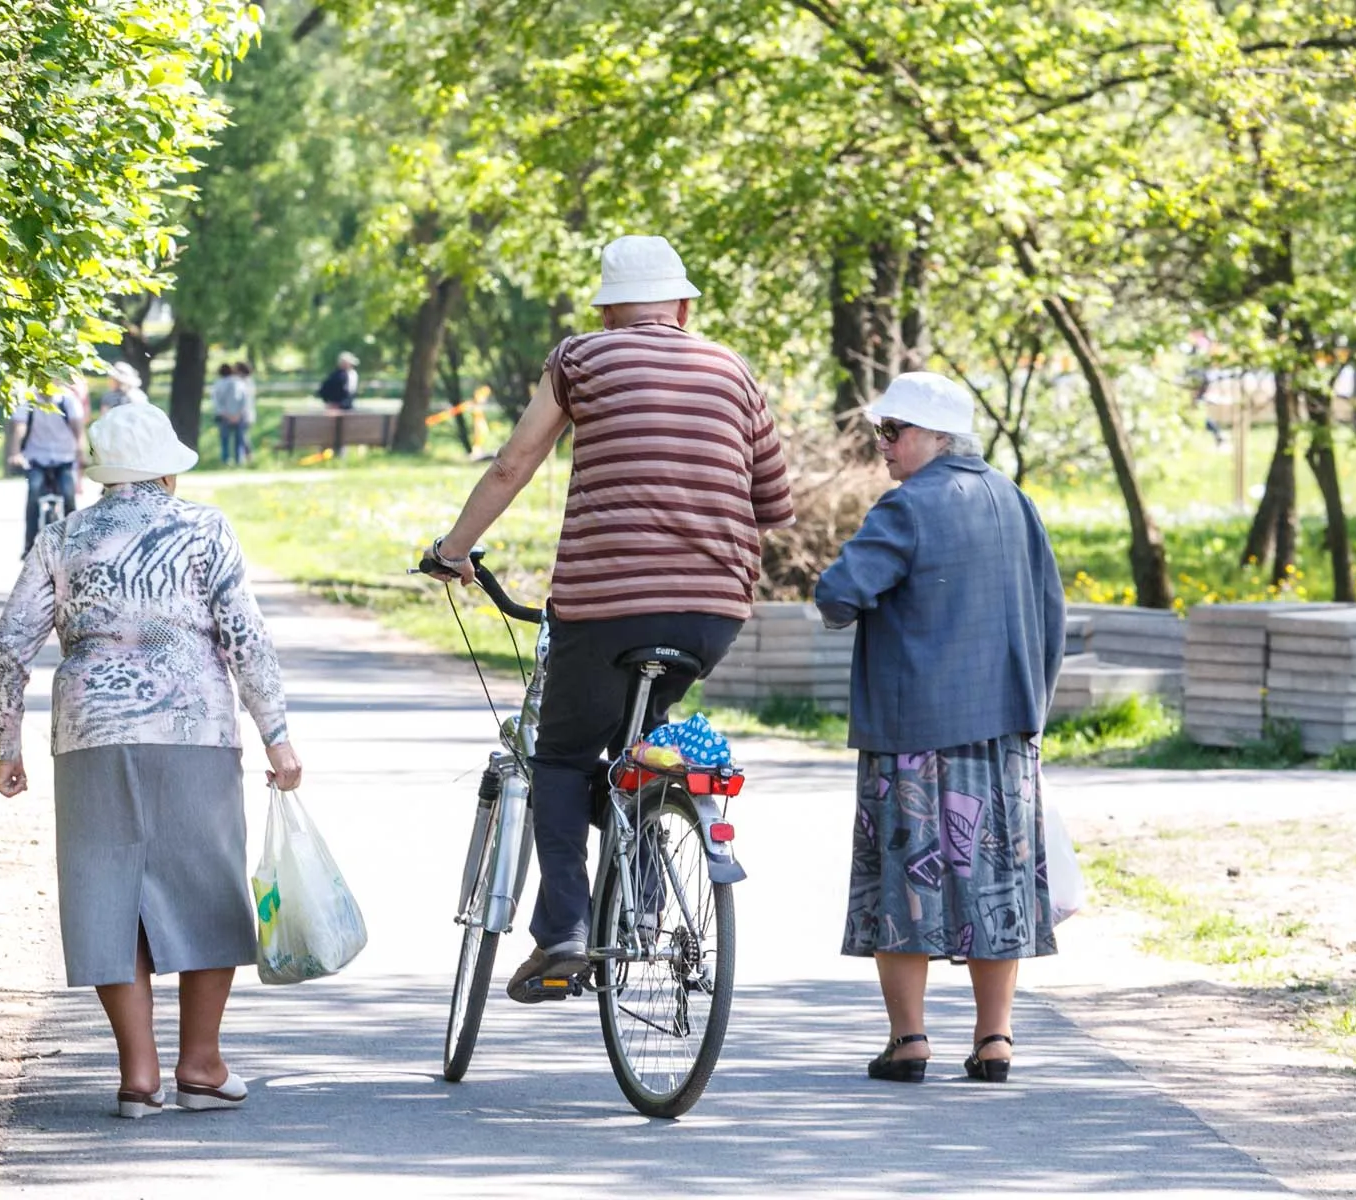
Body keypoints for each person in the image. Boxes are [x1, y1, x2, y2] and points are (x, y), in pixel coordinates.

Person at [424, 234, 794, 1000]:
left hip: (606, 607)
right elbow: (775, 506)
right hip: (712, 613)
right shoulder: (733, 370)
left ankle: (561, 931)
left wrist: (454, 549)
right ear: (684, 306)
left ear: (606, 309)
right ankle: (647, 884)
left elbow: (513, 464)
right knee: (638, 750)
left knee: (561, 759)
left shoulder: (582, 358)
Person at [0, 401, 304, 1118]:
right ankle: (201, 1063)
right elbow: (244, 637)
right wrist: (276, 734)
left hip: (89, 734)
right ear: (166, 467)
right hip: (192, 728)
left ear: (100, 471)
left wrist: (7, 745)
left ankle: (138, 1075)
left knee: (109, 894)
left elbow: (8, 646)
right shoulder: (202, 527)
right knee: (206, 887)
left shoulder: (60, 536)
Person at [812, 371, 1066, 1085]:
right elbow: (1051, 614)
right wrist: (1030, 714)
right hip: (1005, 731)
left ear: (935, 436)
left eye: (893, 432)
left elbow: (838, 595)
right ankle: (995, 1041)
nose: (884, 447)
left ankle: (910, 1039)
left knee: (905, 882)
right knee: (995, 880)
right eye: (881, 432)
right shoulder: (1017, 503)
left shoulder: (908, 507)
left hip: (912, 732)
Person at [6, 381, 87, 555]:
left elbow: (78, 430)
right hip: (37, 456)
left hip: (64, 456)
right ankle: (29, 544)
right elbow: (20, 428)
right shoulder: (28, 400)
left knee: (68, 494)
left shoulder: (67, 400)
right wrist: (15, 452)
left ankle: (73, 544)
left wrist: (81, 454)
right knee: (34, 491)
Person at [214, 361, 256, 466]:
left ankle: (227, 460)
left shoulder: (221, 383)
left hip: (229, 415)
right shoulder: (240, 383)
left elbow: (218, 401)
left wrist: (226, 413)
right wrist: (237, 414)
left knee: (228, 439)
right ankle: (240, 460)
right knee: (240, 439)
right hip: (240, 415)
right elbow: (243, 399)